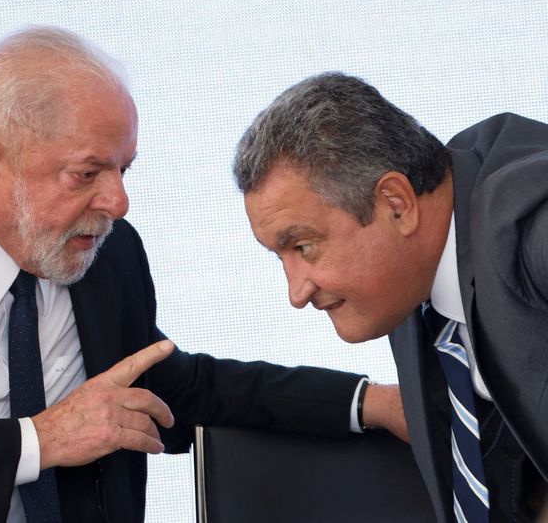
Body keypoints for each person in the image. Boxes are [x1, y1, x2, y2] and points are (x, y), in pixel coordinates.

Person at [0, 30, 404, 523]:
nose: (117, 203)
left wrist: (370, 402)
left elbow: (176, 392)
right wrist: (45, 438)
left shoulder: (104, 253)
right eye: (87, 174)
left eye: (126, 169)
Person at [234, 71, 548, 522]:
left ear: (396, 204)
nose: (296, 292)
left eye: (303, 246)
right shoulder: (409, 283)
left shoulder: (529, 223)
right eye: (279, 257)